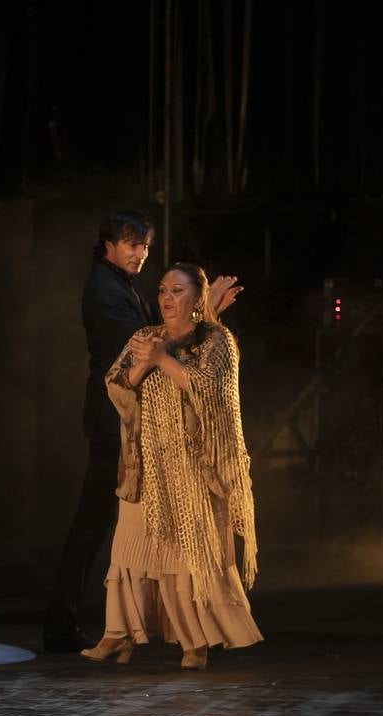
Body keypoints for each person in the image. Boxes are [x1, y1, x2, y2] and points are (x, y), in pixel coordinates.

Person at [44, 211, 240, 653]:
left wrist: (200, 313)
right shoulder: (103, 289)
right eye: (132, 245)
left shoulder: (119, 285)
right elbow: (146, 345)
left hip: (137, 421)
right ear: (109, 245)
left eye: (146, 247)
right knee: (99, 523)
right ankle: (70, 623)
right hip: (116, 421)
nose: (140, 254)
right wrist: (204, 312)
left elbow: (162, 337)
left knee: (123, 525)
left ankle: (139, 626)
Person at [82, 263, 262, 669]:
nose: (166, 297)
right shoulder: (145, 336)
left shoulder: (217, 340)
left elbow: (209, 389)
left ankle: (194, 643)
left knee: (186, 556)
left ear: (197, 300)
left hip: (192, 471)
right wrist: (146, 361)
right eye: (162, 289)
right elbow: (115, 383)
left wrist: (163, 358)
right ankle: (117, 634)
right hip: (145, 465)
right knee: (128, 548)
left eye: (177, 290)